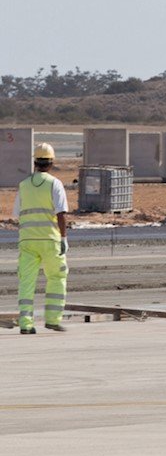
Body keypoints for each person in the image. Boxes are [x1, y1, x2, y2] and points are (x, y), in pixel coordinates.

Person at [14, 143, 69, 334]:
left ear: (35, 162)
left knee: (26, 282)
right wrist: (63, 238)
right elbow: (61, 213)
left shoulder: (23, 185)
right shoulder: (55, 184)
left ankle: (25, 324)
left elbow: (18, 214)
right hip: (50, 240)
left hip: (27, 241)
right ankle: (53, 319)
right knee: (57, 277)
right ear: (52, 162)